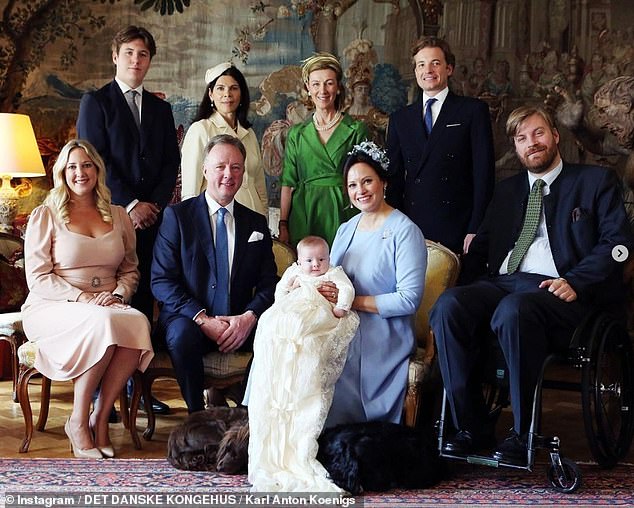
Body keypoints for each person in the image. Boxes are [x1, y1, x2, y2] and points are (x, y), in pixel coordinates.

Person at [430, 106, 633, 464]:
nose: (531, 143)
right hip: (505, 282)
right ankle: (471, 426)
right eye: (521, 139)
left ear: (555, 136)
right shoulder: (507, 190)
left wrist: (577, 281)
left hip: (561, 290)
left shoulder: (594, 181)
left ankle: (522, 433)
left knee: (514, 310)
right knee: (448, 306)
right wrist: (467, 287)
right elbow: (481, 250)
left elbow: (618, 243)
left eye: (538, 133)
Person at [21, 139, 154, 459]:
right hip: (53, 304)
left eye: (86, 165)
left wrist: (120, 294)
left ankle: (100, 416)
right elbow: (37, 277)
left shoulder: (120, 215)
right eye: (72, 167)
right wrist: (82, 297)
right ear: (62, 173)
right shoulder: (46, 215)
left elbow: (130, 269)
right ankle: (78, 421)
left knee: (136, 322)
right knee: (103, 323)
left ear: (97, 169)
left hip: (107, 303)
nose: (80, 172)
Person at [76, 25, 179, 415]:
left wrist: (151, 204)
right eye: (130, 53)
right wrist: (131, 203)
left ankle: (138, 387)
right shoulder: (96, 102)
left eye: (144, 54)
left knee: (145, 301)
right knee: (116, 301)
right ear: (116, 56)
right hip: (110, 218)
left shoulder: (160, 108)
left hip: (152, 222)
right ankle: (105, 391)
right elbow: (93, 159)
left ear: (150, 61)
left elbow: (171, 163)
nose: (137, 60)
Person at [151, 134, 278, 413]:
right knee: (182, 335)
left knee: (281, 331)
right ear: (205, 170)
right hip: (189, 318)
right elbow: (161, 281)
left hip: (238, 318)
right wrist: (202, 318)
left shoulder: (255, 222)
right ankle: (198, 418)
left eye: (235, 167)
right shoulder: (177, 217)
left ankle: (251, 416)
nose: (228, 174)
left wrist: (248, 317)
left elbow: (270, 283)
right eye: (220, 166)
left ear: (243, 173)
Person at [325, 141, 427, 428]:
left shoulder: (405, 231)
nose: (361, 191)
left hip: (384, 334)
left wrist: (353, 302)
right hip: (344, 325)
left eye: (367, 181)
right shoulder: (346, 229)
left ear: (383, 181)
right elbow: (332, 276)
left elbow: (408, 299)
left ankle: (358, 442)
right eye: (353, 185)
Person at [244, 235, 359, 492]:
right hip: (292, 309)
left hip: (319, 312)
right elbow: (279, 292)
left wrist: (341, 306)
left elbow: (347, 290)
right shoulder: (294, 272)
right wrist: (289, 290)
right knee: (269, 324)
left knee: (307, 331)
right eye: (309, 260)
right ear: (299, 261)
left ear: (329, 258)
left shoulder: (334, 274)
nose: (316, 265)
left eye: (321, 259)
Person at [386, 36, 495, 255]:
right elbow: (394, 179)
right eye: (421, 64)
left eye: (435, 63)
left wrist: (475, 228)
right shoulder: (400, 119)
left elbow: (484, 175)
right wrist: (394, 227)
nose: (428, 70)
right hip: (412, 225)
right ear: (415, 71)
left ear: (449, 68)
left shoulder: (472, 111)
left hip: (460, 225)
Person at [278, 52, 369, 247]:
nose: (323, 90)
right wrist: (283, 224)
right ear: (308, 89)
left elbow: (366, 180)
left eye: (329, 83)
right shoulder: (297, 134)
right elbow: (288, 182)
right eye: (316, 84)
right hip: (304, 213)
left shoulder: (356, 129)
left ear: (337, 88)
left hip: (345, 211)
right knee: (308, 274)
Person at [180, 62, 268, 216]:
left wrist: (264, 217)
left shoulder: (249, 133)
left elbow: (259, 184)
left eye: (234, 88)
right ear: (210, 94)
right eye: (220, 88)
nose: (227, 94)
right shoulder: (201, 129)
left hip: (253, 219)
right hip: (217, 221)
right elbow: (190, 190)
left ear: (241, 94)